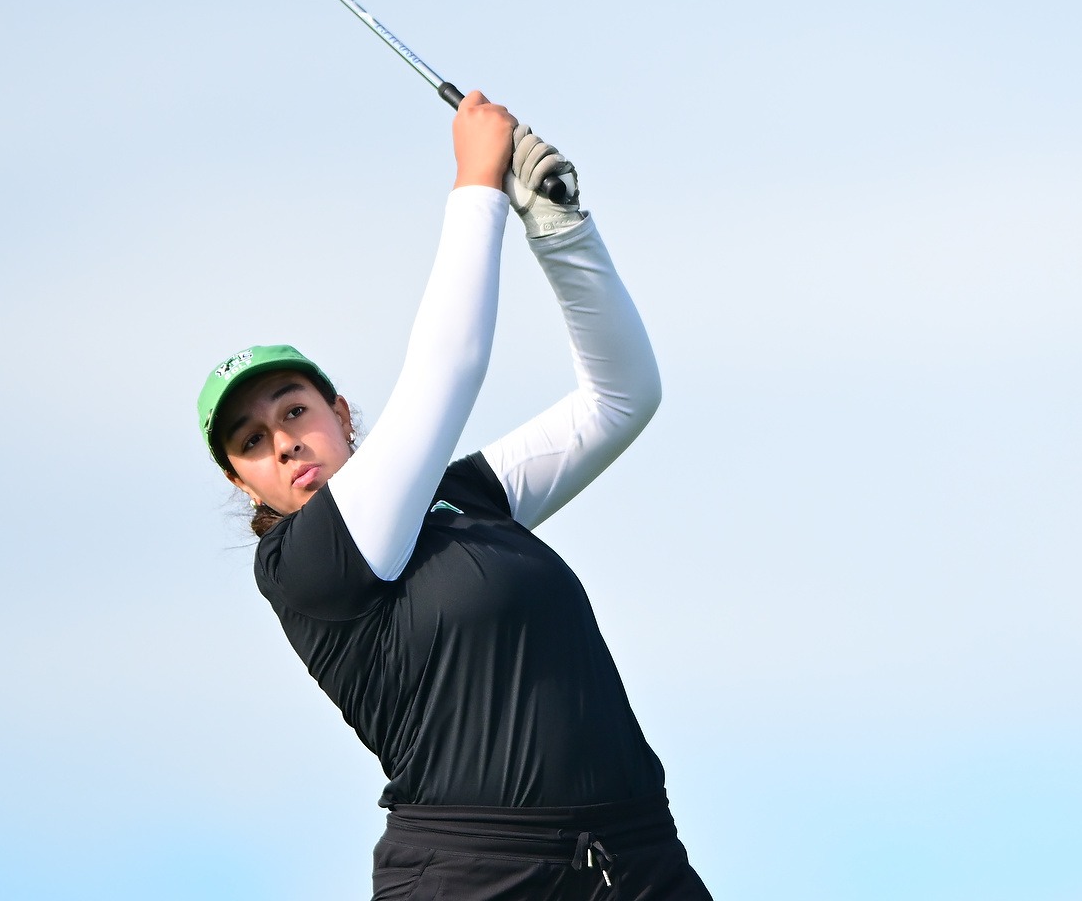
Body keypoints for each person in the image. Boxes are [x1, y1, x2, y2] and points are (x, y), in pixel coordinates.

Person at [196, 92, 712, 900]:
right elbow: (448, 370)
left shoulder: (465, 499)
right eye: (252, 441)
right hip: (477, 878)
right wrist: (476, 181)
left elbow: (621, 398)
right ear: (241, 480)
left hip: (637, 860)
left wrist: (559, 230)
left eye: (293, 410)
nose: (283, 442)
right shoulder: (307, 564)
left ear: (338, 413)